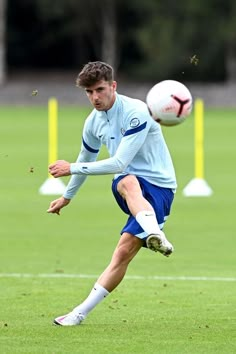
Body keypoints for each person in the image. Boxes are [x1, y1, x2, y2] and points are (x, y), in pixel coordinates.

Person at [47, 61, 177, 326]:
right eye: (89, 92)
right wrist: (67, 197)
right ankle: (155, 233)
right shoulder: (93, 123)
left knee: (121, 254)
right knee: (127, 180)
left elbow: (117, 162)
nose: (95, 97)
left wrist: (69, 167)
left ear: (113, 86)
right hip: (130, 188)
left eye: (100, 89)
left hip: (161, 188)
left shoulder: (137, 111)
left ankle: (79, 313)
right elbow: (86, 159)